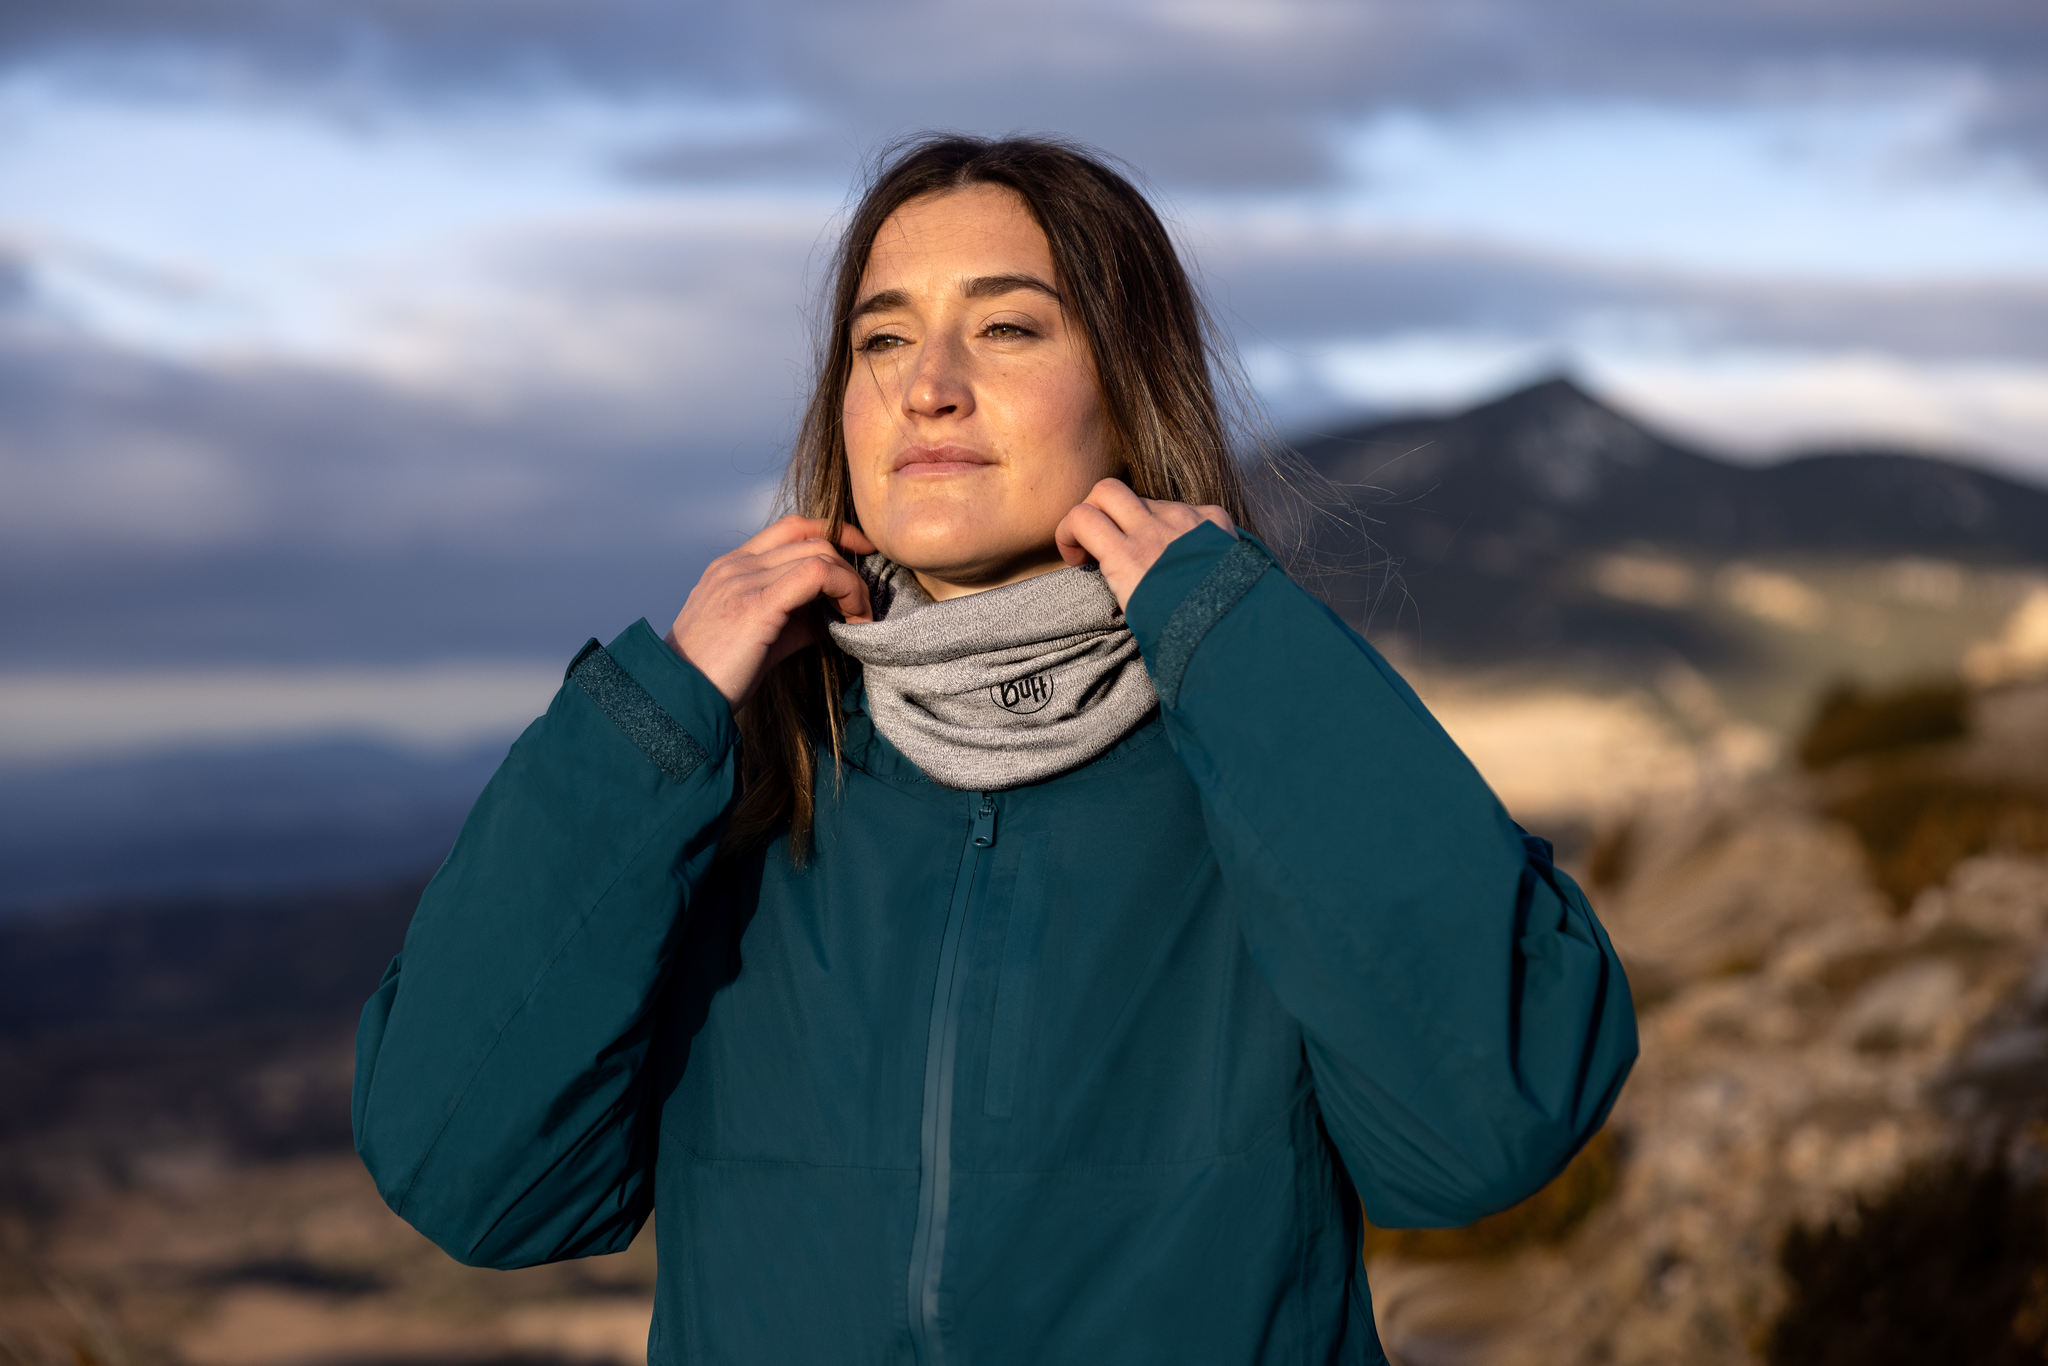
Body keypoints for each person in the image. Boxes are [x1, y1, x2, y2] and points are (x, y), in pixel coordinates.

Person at [352, 133, 1637, 1365]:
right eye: (881, 338)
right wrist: (654, 712)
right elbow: (470, 1174)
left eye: (1008, 327)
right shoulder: (744, 782)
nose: (927, 384)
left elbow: (1487, 1123)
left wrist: (1245, 651)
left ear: (1130, 389)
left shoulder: (1251, 759)